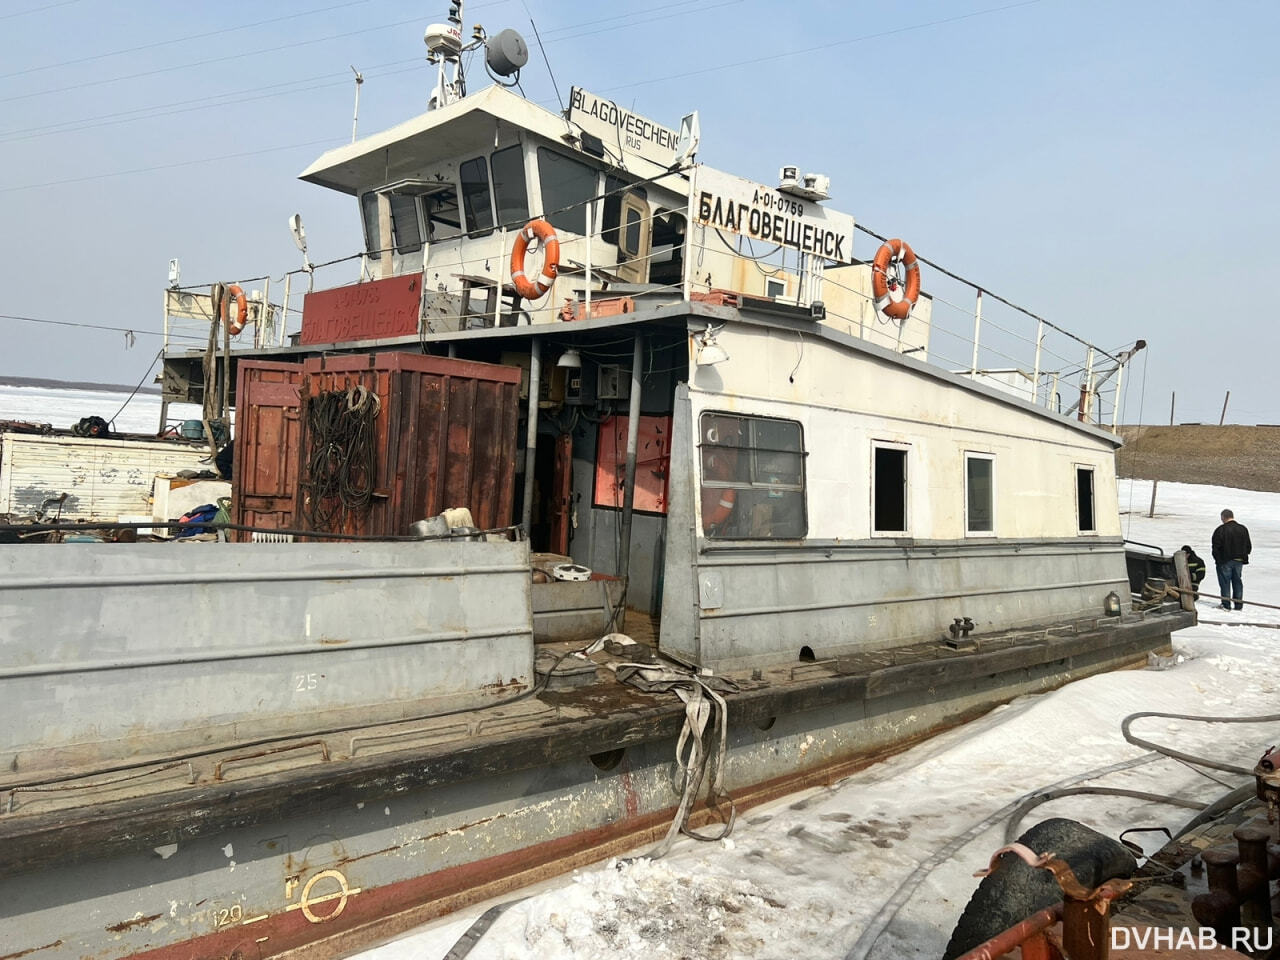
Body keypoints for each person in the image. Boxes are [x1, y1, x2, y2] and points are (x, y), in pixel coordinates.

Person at [1210, 509, 1252, 611]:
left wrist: (1218, 560)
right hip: (1239, 560)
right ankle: (1238, 604)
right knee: (1237, 581)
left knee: (1225, 582)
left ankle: (1226, 604)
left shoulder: (1220, 530)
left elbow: (1216, 547)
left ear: (1223, 517)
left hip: (1224, 560)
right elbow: (1248, 546)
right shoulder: (1243, 529)